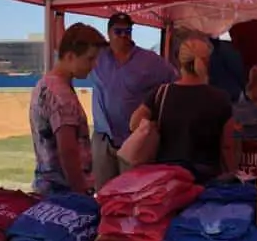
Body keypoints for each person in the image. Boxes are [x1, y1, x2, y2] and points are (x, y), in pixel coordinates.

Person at [90, 12, 176, 190]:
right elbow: (64, 46)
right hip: (103, 141)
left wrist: (156, 115)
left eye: (127, 32)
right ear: (109, 33)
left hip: (135, 142)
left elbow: (175, 82)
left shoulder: (150, 61)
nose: (123, 36)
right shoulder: (97, 58)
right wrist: (59, 13)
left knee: (134, 194)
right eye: (118, 32)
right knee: (104, 195)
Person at [129, 37, 233, 182]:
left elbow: (134, 124)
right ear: (207, 62)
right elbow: (227, 145)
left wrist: (154, 125)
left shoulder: (161, 93)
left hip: (167, 178)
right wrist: (231, 173)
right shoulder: (220, 98)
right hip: (206, 179)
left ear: (179, 61)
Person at [29, 23, 107, 196]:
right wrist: (80, 194)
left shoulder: (44, 84)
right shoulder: (61, 95)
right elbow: (68, 152)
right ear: (71, 56)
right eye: (90, 58)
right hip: (64, 192)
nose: (94, 65)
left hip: (46, 187)